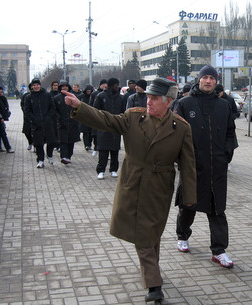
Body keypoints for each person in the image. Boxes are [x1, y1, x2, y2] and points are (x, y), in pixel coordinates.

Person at [62, 77, 196, 303]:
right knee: (142, 233)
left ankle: (150, 270)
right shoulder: (133, 117)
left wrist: (190, 197)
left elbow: (188, 165)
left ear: (169, 102)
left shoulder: (181, 128)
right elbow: (106, 120)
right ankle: (154, 283)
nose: (149, 102)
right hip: (132, 183)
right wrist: (80, 107)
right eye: (148, 97)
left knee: (151, 232)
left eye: (155, 99)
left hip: (159, 188)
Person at [174, 65, 237, 268]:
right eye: (205, 77)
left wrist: (227, 154)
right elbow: (175, 134)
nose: (208, 81)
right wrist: (181, 160)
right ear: (198, 80)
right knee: (188, 206)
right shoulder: (184, 104)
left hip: (217, 167)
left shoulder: (224, 105)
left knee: (217, 210)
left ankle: (219, 250)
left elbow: (230, 133)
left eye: (212, 78)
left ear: (216, 81)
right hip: (192, 168)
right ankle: (182, 235)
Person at [93, 78, 124, 179]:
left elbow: (123, 112)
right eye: (116, 85)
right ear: (110, 86)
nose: (117, 87)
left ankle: (114, 170)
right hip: (104, 127)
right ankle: (101, 170)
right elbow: (95, 111)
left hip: (116, 127)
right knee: (103, 151)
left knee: (115, 150)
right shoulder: (101, 96)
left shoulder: (120, 98)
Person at [24, 78, 58, 168]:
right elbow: (27, 111)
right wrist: (33, 119)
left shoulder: (47, 95)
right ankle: (40, 160)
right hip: (36, 124)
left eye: (37, 84)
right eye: (34, 85)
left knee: (51, 142)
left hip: (48, 123)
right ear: (32, 86)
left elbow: (52, 107)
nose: (36, 86)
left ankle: (50, 155)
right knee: (38, 143)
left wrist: (49, 117)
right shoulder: (28, 97)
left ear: (40, 85)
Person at [54, 81, 81, 164]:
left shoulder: (74, 97)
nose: (64, 88)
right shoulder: (57, 98)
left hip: (73, 123)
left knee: (71, 142)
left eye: (66, 86)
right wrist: (59, 118)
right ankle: (64, 156)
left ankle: (69, 156)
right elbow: (54, 110)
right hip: (62, 123)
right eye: (62, 86)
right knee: (63, 141)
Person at [89, 79, 107, 157]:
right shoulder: (95, 94)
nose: (105, 86)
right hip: (96, 116)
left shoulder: (108, 94)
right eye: (104, 84)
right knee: (96, 134)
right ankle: (96, 148)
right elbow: (91, 104)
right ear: (101, 85)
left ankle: (105, 150)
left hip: (105, 117)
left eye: (106, 84)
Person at [78, 85, 94, 150]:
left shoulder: (93, 97)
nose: (88, 92)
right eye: (87, 91)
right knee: (85, 132)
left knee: (90, 132)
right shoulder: (81, 97)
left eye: (90, 91)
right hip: (84, 116)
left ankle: (89, 144)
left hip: (91, 116)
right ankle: (86, 145)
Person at [20, 84, 34, 151]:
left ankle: (36, 145)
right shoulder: (26, 96)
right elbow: (22, 105)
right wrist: (26, 112)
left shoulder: (42, 95)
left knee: (36, 132)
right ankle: (30, 142)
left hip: (36, 117)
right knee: (27, 131)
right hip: (27, 116)